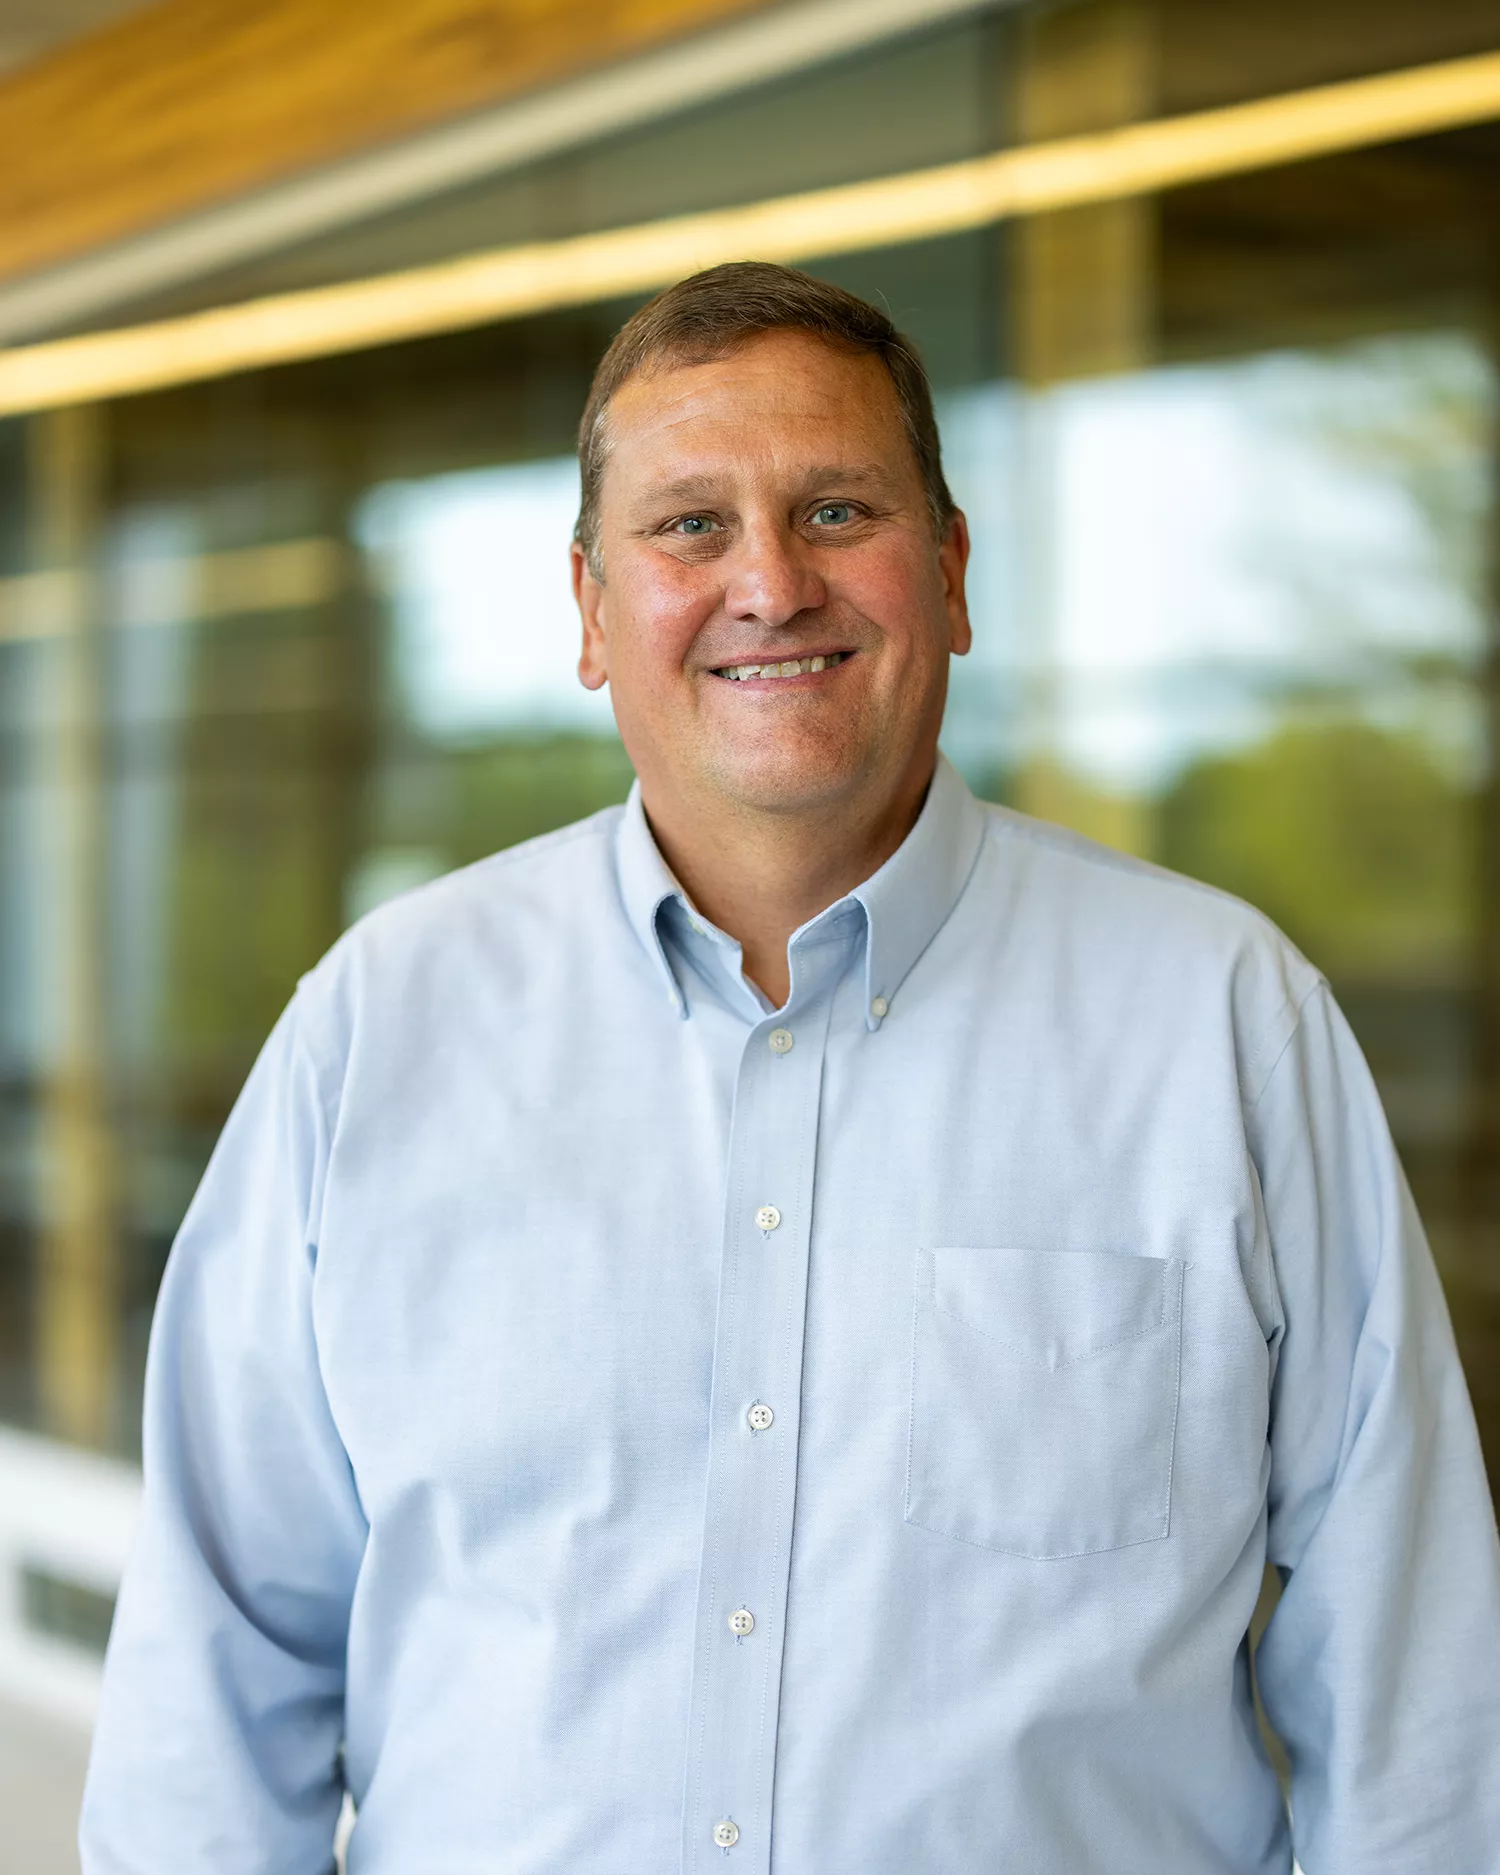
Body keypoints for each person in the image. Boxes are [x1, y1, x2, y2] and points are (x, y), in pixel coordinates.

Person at [81, 262, 1500, 1874]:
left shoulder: (1226, 1022)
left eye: (836, 512)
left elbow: (1413, 1684)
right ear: (592, 613)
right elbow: (215, 1679)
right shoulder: (375, 1031)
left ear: (951, 575)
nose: (769, 581)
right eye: (690, 525)